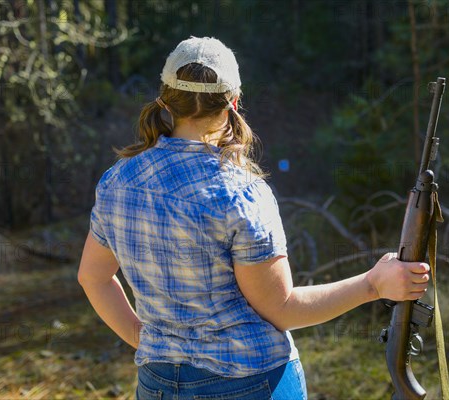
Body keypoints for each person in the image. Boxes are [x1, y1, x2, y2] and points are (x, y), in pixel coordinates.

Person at [77, 36, 430, 400]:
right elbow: (283, 309)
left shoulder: (118, 181)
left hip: (157, 385)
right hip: (250, 384)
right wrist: (373, 284)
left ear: (165, 99)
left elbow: (92, 277)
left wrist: (146, 340)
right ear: (233, 101)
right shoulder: (239, 192)